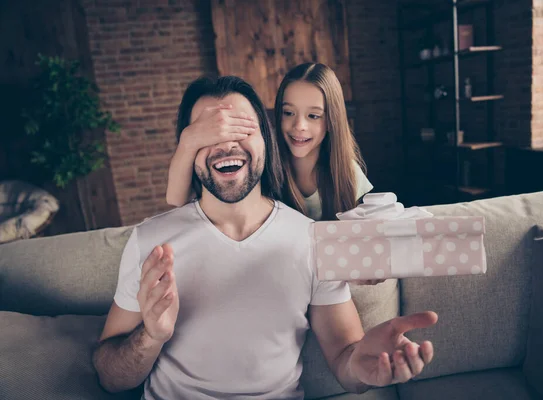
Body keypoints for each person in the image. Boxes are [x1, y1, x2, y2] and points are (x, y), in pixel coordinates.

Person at [92, 76, 437, 399]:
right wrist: (150, 337)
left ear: (266, 140)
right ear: (187, 149)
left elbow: (346, 361)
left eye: (241, 129)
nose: (226, 145)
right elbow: (109, 377)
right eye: (207, 133)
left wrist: (365, 364)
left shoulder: (313, 240)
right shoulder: (150, 241)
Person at [166, 63, 372, 222]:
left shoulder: (347, 171)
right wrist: (189, 140)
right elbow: (176, 200)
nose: (299, 125)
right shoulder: (263, 162)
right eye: (288, 113)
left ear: (331, 121)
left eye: (314, 116)